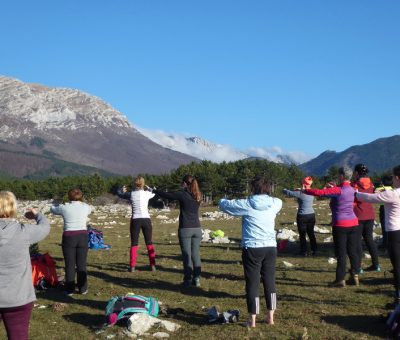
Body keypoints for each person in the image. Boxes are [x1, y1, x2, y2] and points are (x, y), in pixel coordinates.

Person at [219, 176, 282, 328]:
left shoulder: (247, 204)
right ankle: (270, 317)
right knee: (269, 281)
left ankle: (252, 319)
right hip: (270, 248)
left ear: (253, 188)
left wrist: (222, 200)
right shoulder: (275, 203)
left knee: (252, 283)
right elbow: (279, 202)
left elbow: (225, 205)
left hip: (252, 248)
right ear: (268, 188)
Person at [0, 191, 50, 340]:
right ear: (13, 208)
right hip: (19, 298)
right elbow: (45, 227)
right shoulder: (24, 232)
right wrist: (37, 214)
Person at [303, 166, 360, 287]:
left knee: (341, 253)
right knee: (352, 251)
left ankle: (340, 280)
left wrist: (306, 190)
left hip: (341, 224)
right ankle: (355, 275)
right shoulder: (352, 189)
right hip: (354, 223)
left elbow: (320, 193)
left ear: (341, 176)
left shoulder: (338, 190)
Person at [355, 165, 400, 304]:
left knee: (397, 266)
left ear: (397, 178)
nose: (392, 179)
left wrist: (356, 194)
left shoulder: (393, 194)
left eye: (392, 176)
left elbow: (372, 198)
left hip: (394, 233)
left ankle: (398, 297)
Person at [152, 175, 202, 287]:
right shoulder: (198, 195)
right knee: (195, 254)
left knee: (187, 255)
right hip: (197, 229)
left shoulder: (183, 194)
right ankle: (197, 278)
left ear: (184, 183)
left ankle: (188, 280)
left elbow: (168, 195)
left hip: (185, 229)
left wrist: (154, 190)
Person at [50, 188, 92, 296]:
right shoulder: (86, 207)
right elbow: (90, 209)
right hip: (82, 236)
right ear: (81, 196)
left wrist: (57, 202)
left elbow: (52, 209)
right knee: (82, 264)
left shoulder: (64, 207)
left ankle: (69, 289)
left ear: (69, 196)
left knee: (69, 264)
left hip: (69, 237)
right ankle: (83, 288)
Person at [117, 176, 156, 272]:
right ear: (143, 184)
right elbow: (155, 192)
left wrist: (121, 189)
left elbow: (119, 194)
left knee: (134, 243)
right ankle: (153, 265)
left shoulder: (131, 194)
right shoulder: (147, 193)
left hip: (135, 220)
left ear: (135, 184)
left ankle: (132, 266)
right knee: (149, 243)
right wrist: (150, 188)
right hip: (146, 219)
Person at [351, 164, 380, 272]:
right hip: (370, 214)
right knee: (369, 239)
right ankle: (376, 264)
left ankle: (358, 267)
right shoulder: (371, 184)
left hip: (358, 215)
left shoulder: (354, 185)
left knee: (357, 241)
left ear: (357, 173)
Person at [283, 176, 317, 256]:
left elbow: (289, 193)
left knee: (302, 234)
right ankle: (314, 250)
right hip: (311, 215)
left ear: (303, 183)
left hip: (302, 216)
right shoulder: (312, 191)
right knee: (311, 233)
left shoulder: (300, 193)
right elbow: (305, 190)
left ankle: (304, 251)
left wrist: (284, 189)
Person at [375, 175, 393, 250]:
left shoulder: (379, 189)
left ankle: (385, 244)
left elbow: (375, 194)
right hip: (392, 208)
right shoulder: (393, 189)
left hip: (383, 208)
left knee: (384, 227)